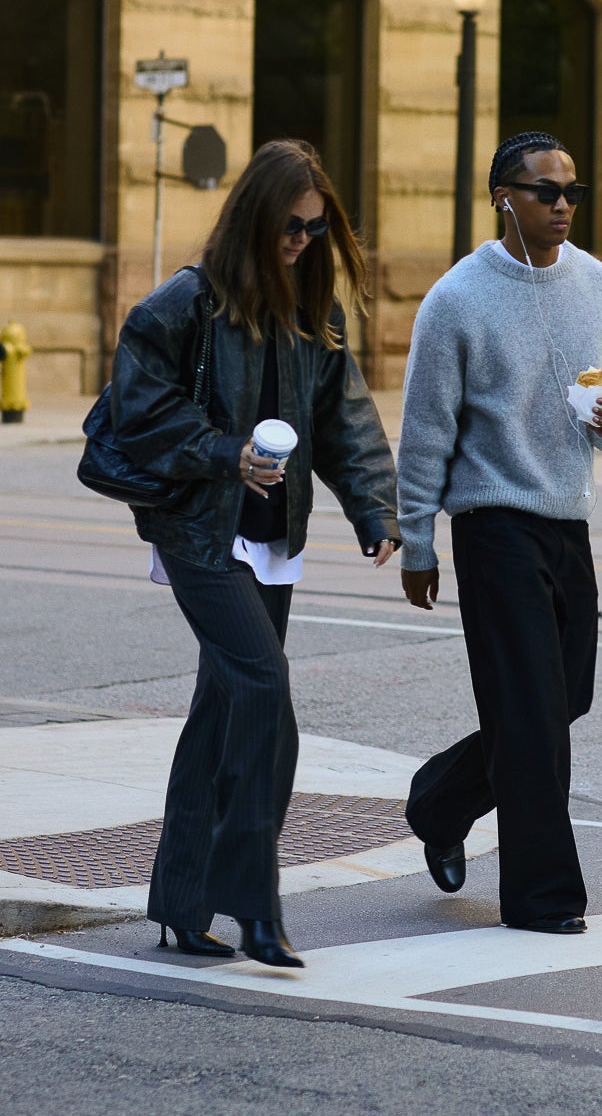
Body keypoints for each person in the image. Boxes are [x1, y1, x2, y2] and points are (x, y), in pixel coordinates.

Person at [109, 138, 399, 968]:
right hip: (198, 530)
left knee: (224, 708)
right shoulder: (185, 305)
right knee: (265, 688)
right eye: (291, 226)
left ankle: (182, 900)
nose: (303, 241)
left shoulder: (315, 315)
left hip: (270, 538)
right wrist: (222, 452)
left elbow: (344, 420)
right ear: (254, 220)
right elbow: (138, 410)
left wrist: (375, 510)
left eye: (316, 228)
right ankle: (255, 905)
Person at [397, 131, 602, 934]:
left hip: (568, 519)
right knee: (533, 715)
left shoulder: (596, 283)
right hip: (493, 522)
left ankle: (440, 802)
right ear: (504, 197)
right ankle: (544, 897)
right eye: (546, 191)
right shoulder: (457, 299)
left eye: (573, 191)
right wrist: (416, 541)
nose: (563, 204)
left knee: (565, 696)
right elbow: (425, 431)